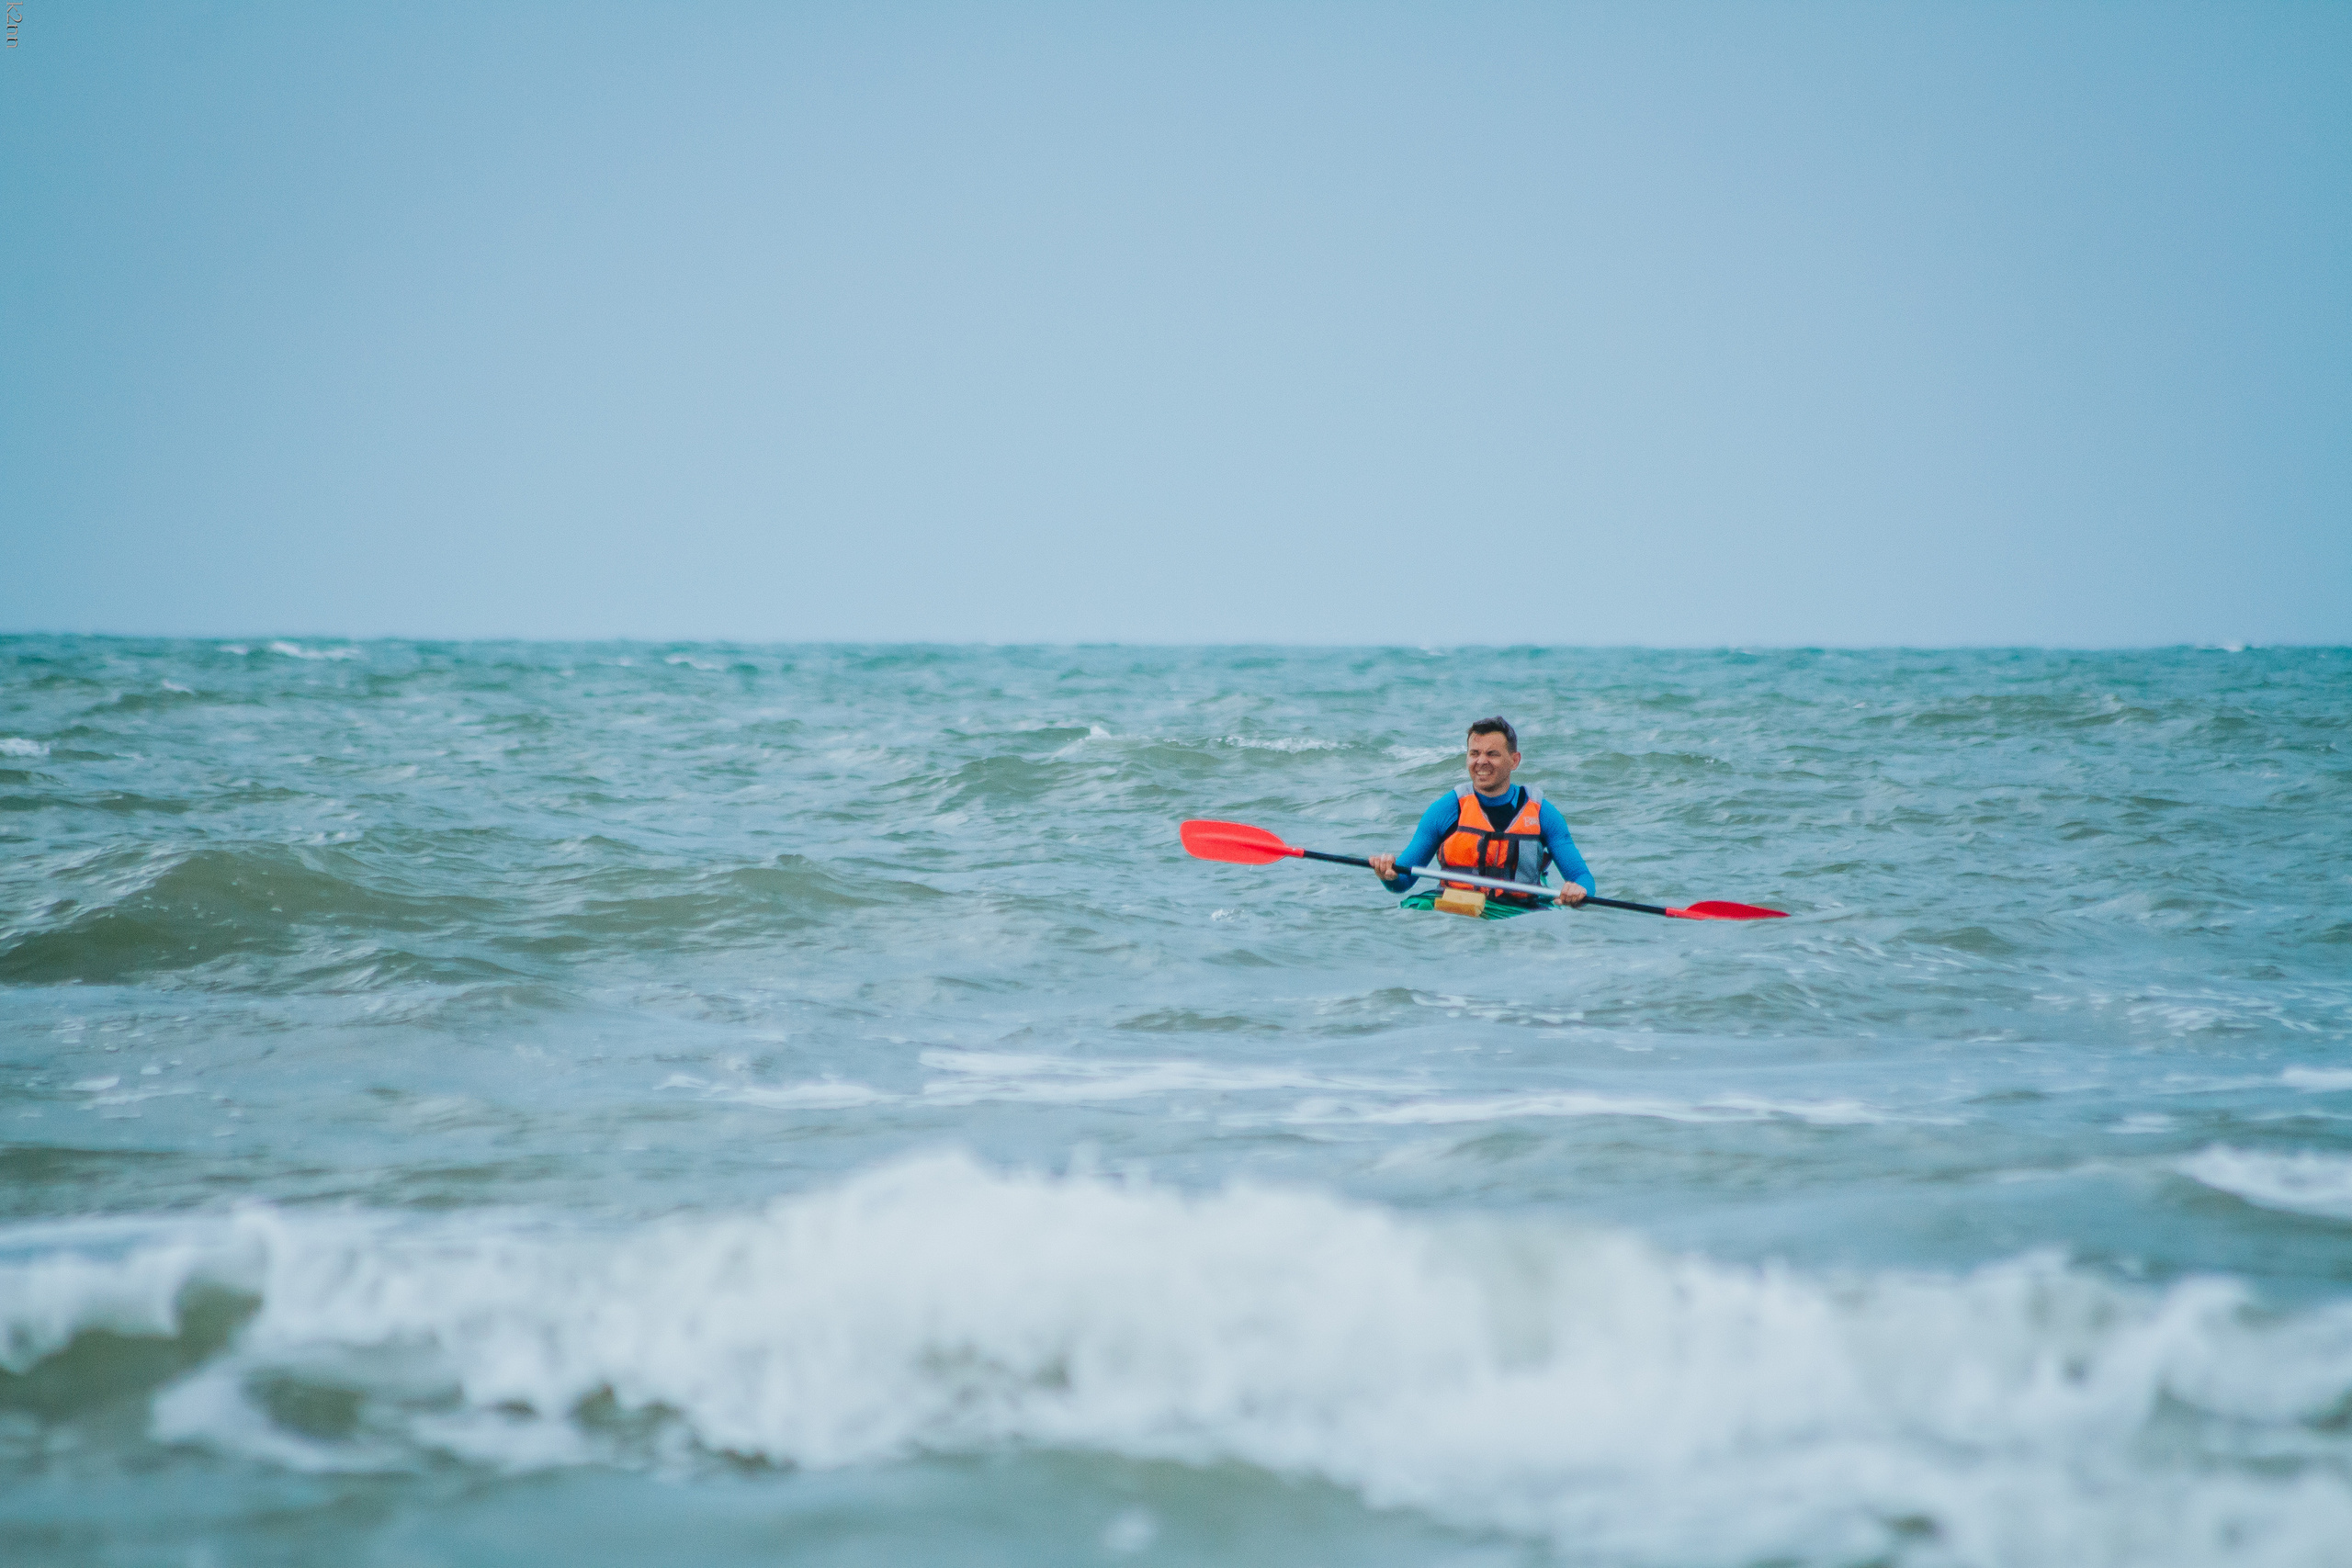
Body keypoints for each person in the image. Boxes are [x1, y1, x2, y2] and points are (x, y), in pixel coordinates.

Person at [1367, 717, 1595, 908]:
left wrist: (1577, 890)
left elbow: (1583, 878)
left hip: (1519, 911)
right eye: (1474, 753)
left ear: (1514, 761)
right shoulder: (1445, 810)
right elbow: (1403, 881)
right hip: (1457, 909)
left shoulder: (1543, 814)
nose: (1481, 762)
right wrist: (1389, 875)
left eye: (1492, 754)